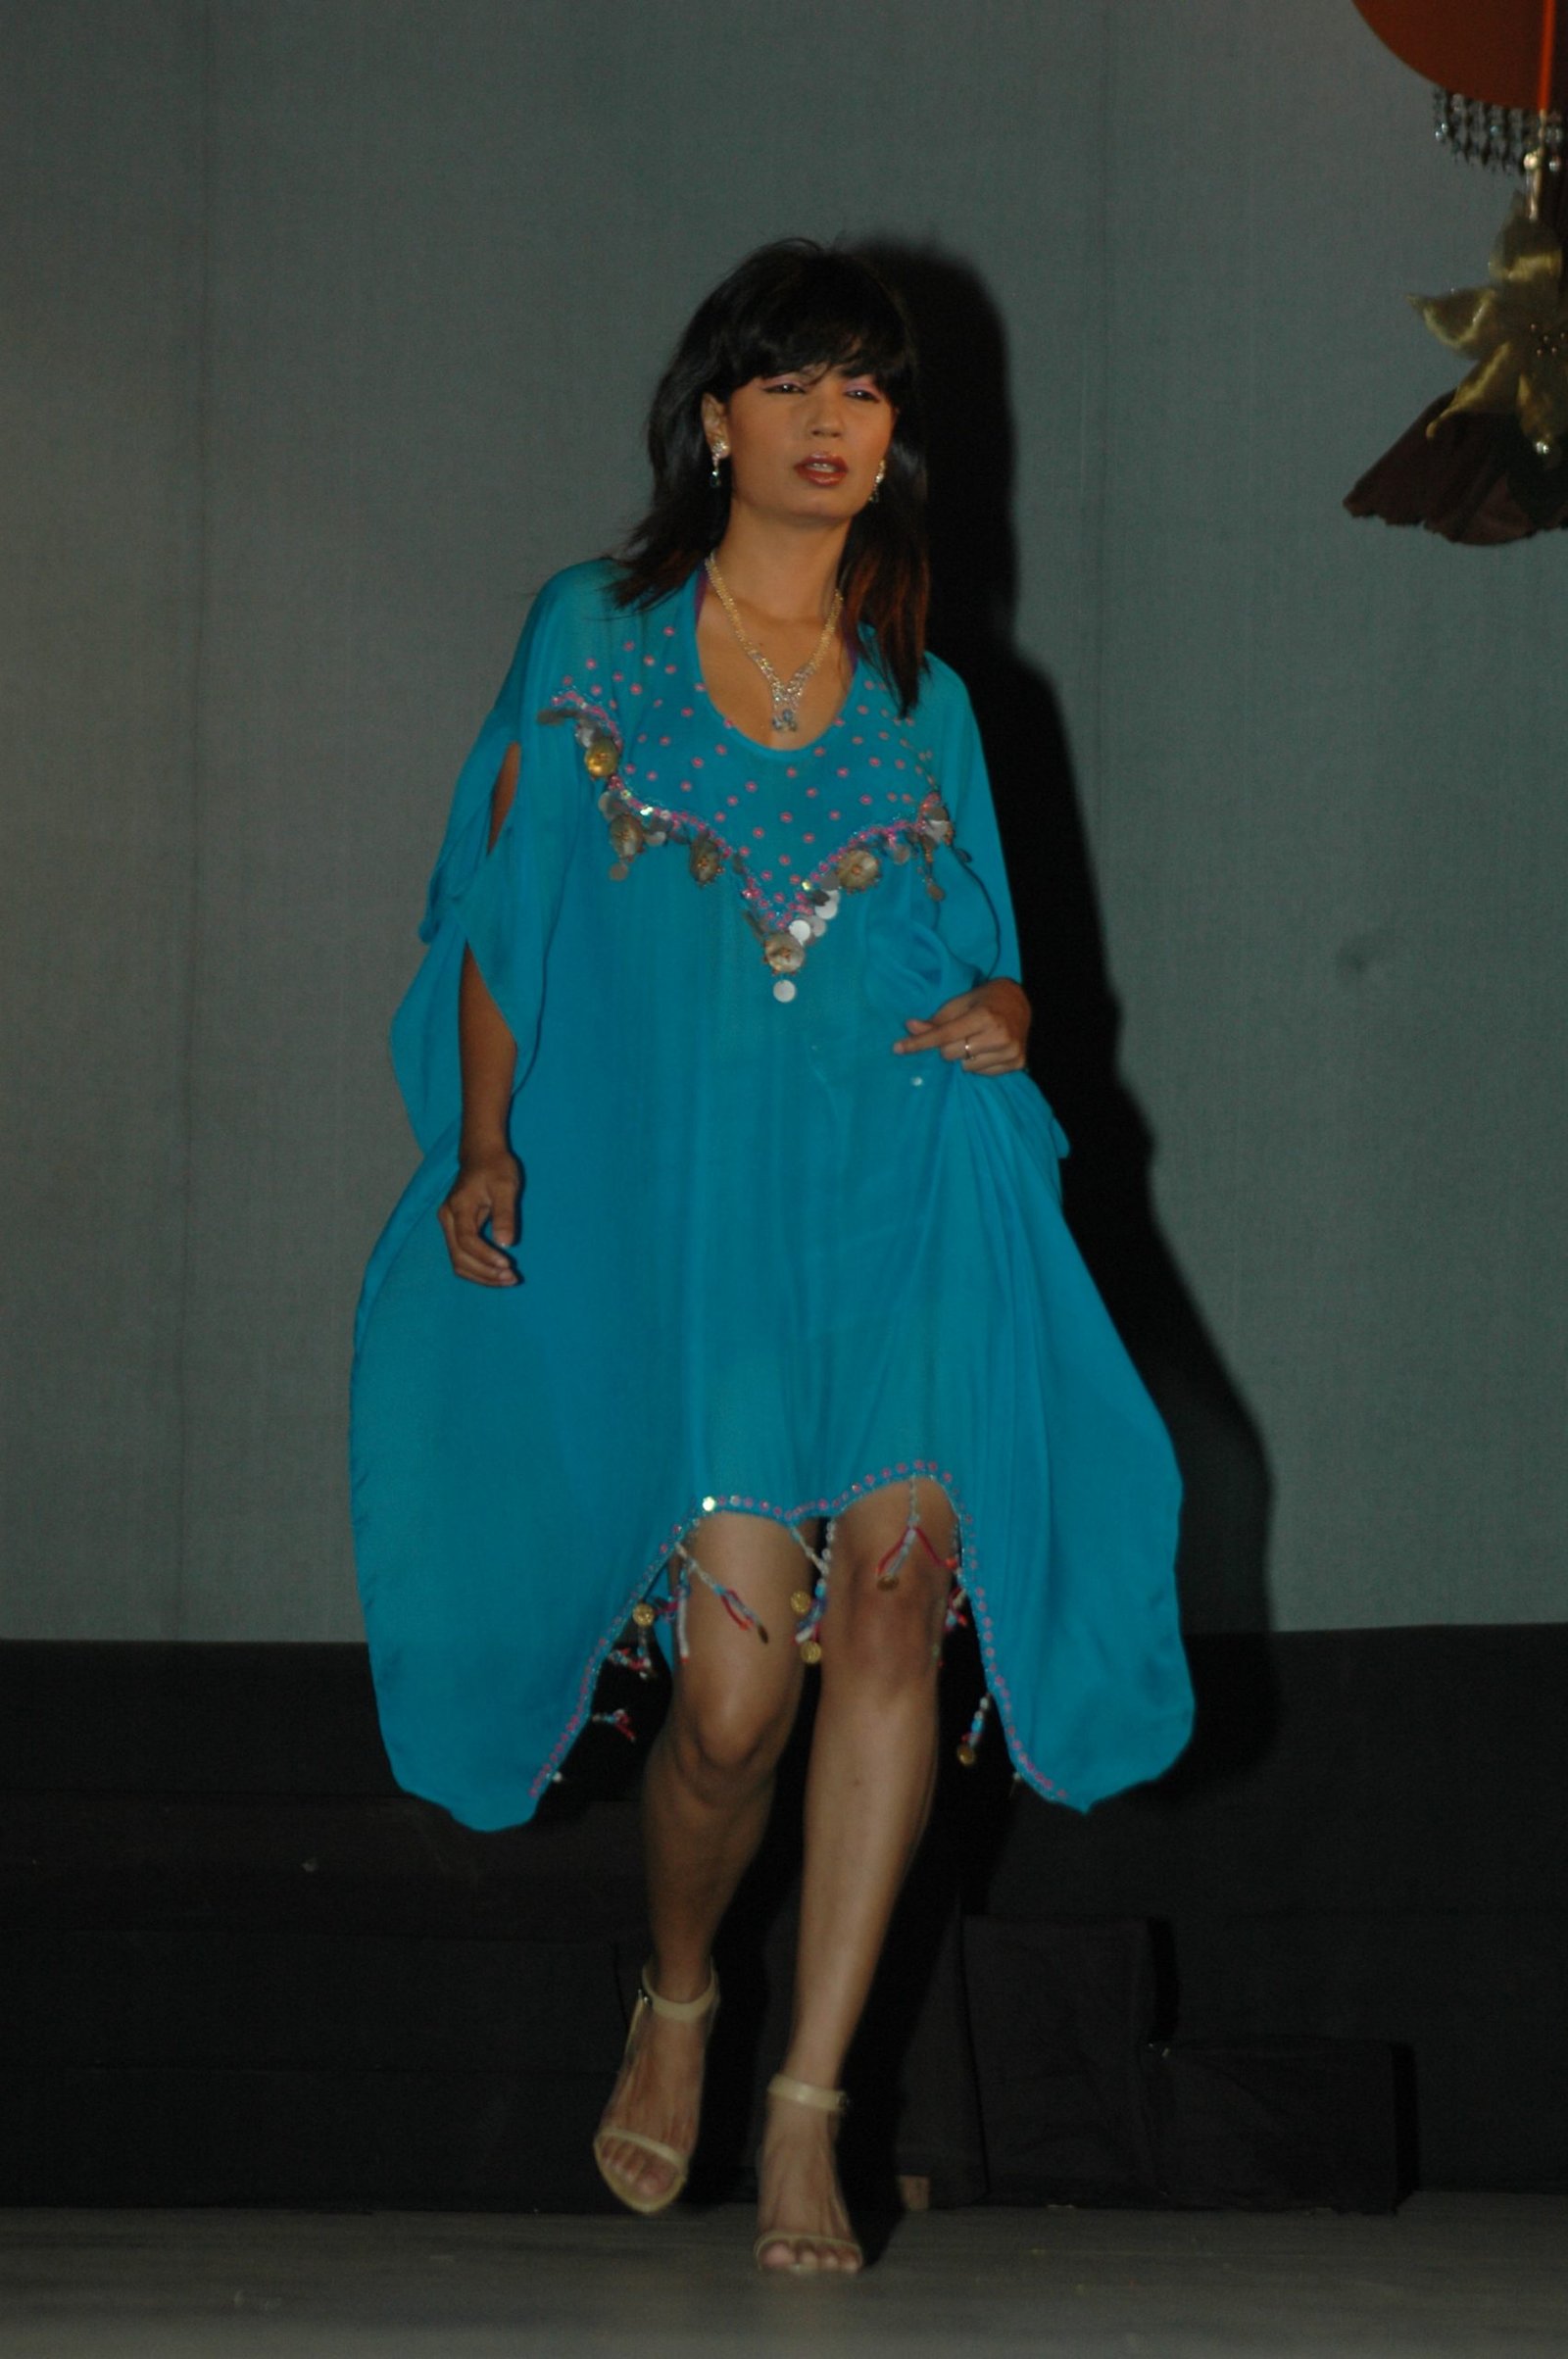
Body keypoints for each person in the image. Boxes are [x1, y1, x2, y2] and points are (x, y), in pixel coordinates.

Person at [350, 239, 1193, 2274]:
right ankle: (679, 1993)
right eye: (794, 382)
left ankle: (811, 2103)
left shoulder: (926, 696)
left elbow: (997, 959)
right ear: (714, 415)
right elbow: (507, 916)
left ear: (896, 438)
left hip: (906, 1196)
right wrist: (485, 1140)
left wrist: (1006, 1013)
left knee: (892, 1619)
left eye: (868, 391)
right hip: (705, 1229)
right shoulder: (595, 634)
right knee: (730, 1702)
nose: (833, 420)